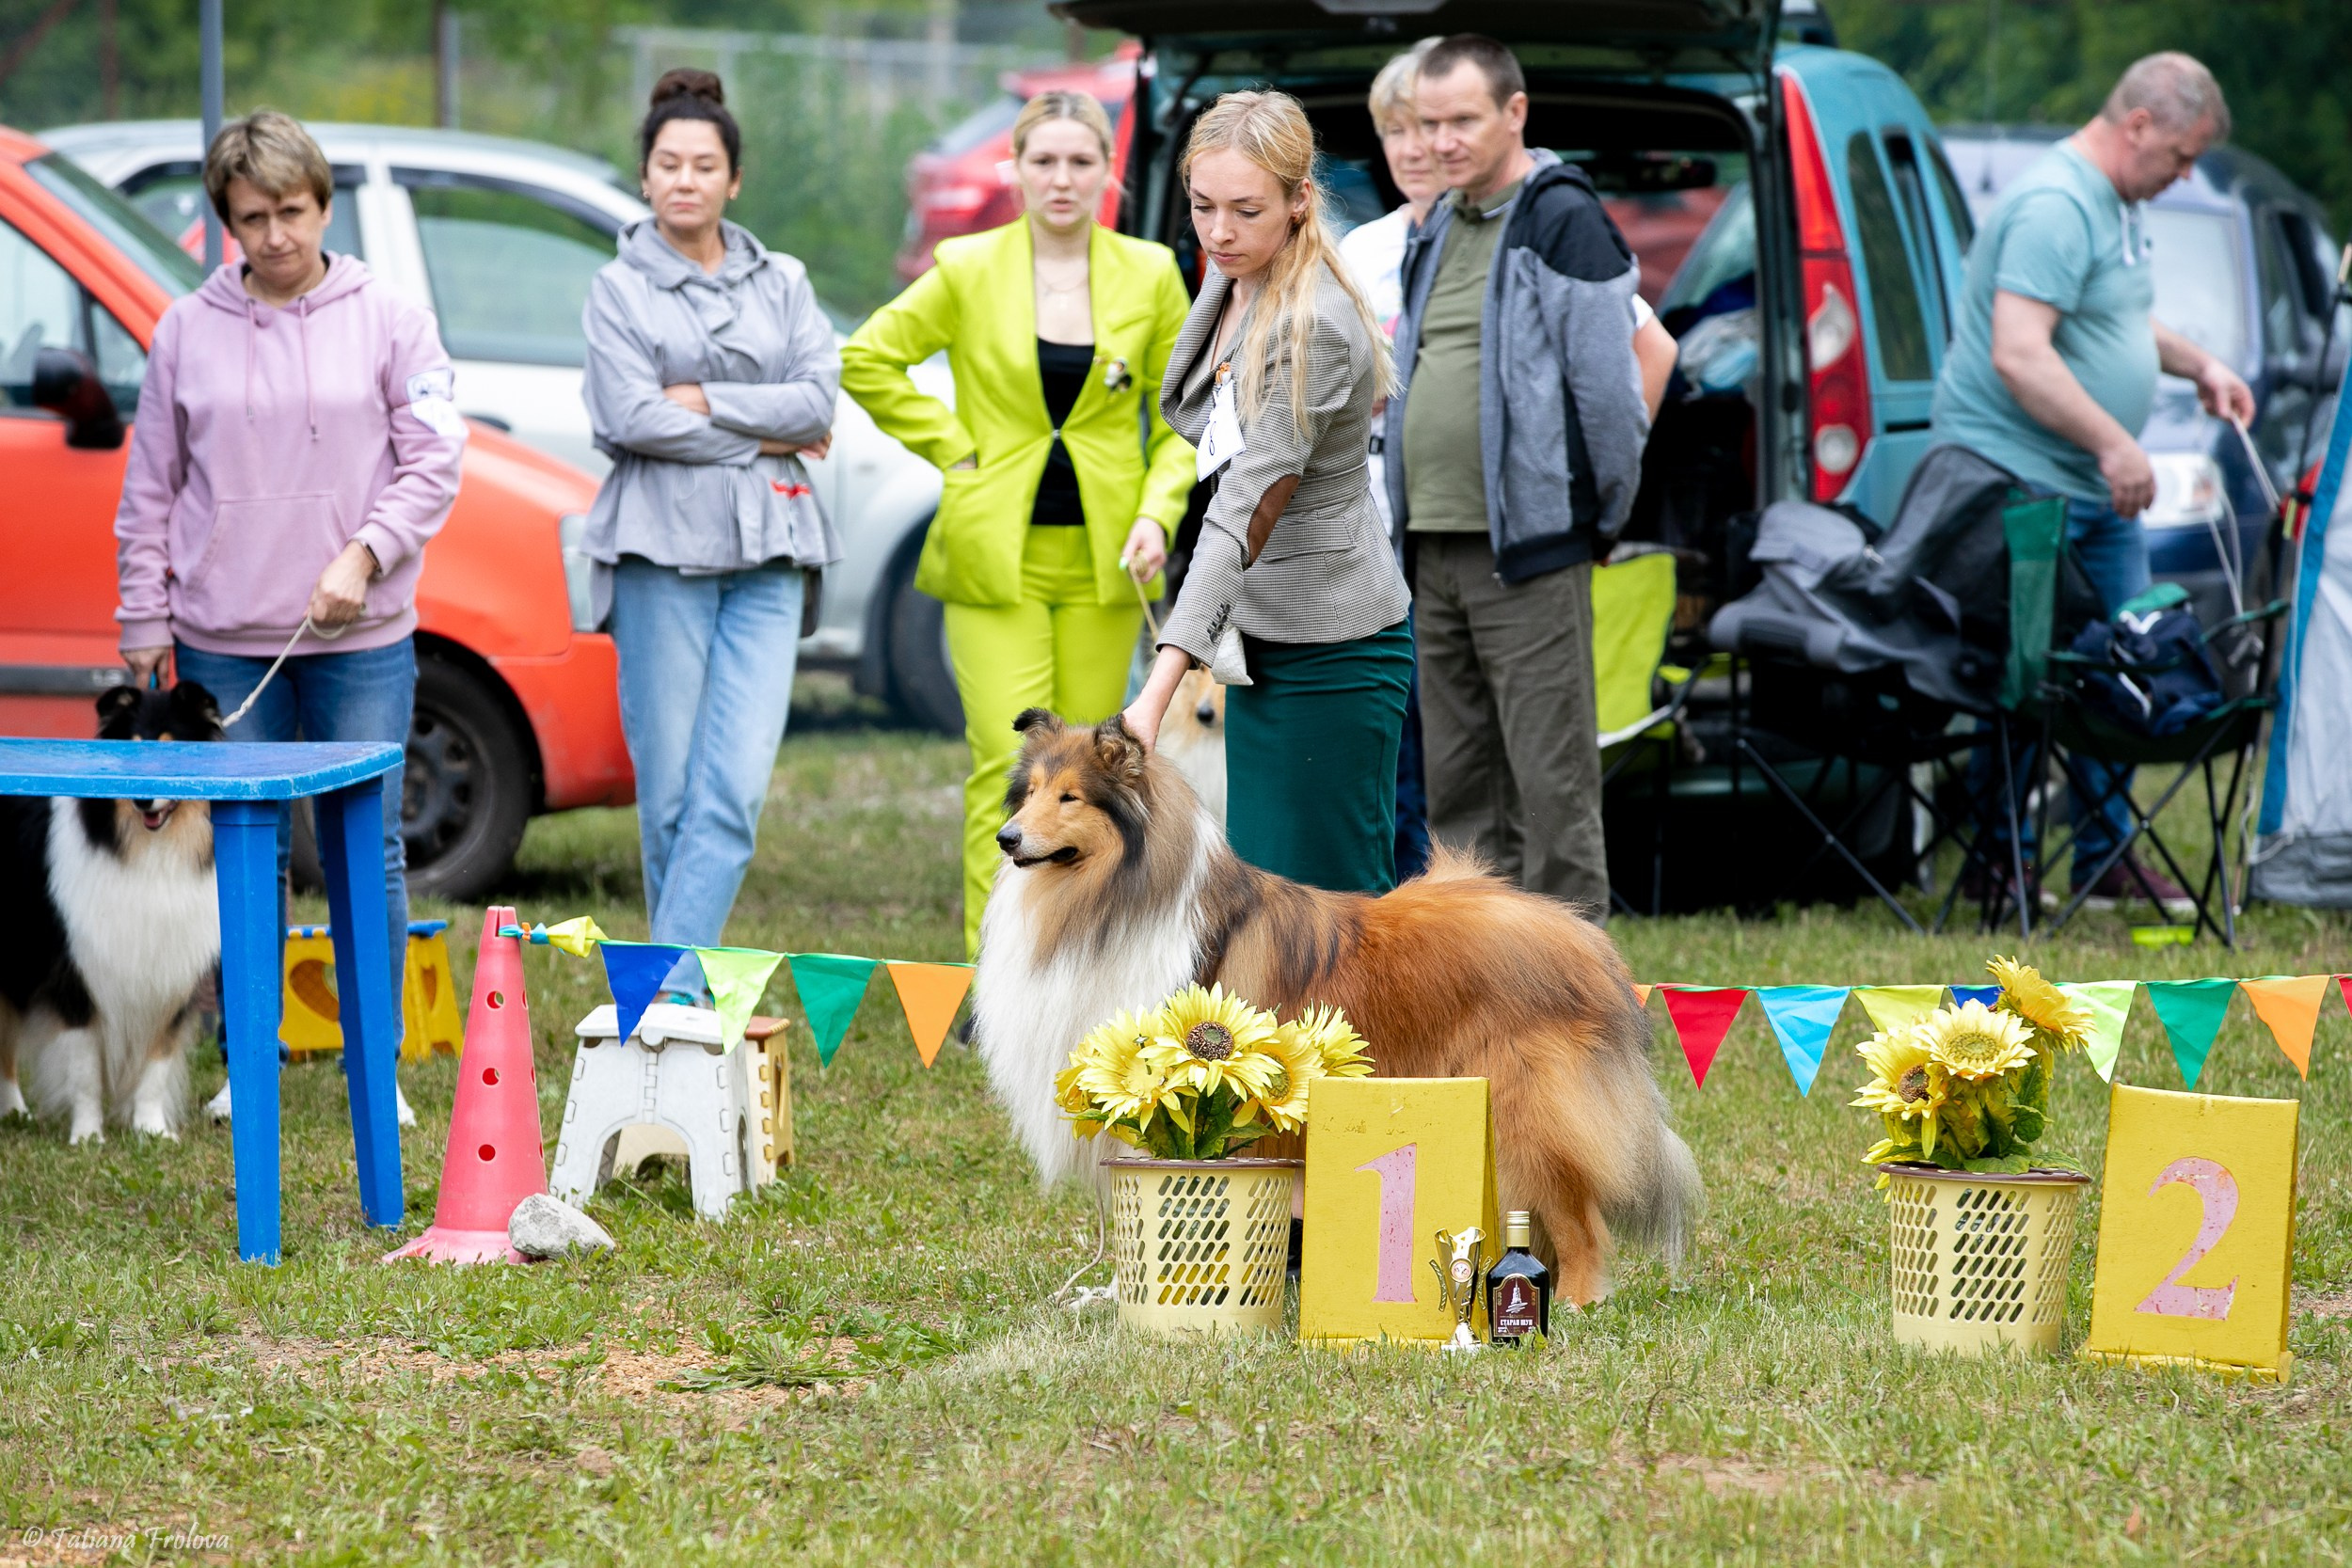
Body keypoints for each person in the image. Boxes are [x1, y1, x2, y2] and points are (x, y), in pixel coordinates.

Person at [115, 108, 464, 1053]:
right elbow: (151, 483)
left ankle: (372, 1055)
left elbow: (434, 459)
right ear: (228, 223)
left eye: (292, 211)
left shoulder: (392, 319)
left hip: (364, 634)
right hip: (222, 641)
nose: (275, 235)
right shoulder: (186, 331)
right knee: (244, 848)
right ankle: (245, 1057)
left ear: (324, 207)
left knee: (365, 846)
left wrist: (366, 551)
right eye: (252, 217)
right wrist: (144, 609)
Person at [843, 90, 1194, 956]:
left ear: (1107, 172)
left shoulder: (1149, 272)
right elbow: (867, 357)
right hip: (993, 557)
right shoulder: (967, 265)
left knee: (1086, 784)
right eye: (1044, 161)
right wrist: (953, 445)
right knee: (1011, 773)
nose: (1062, 178)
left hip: (1110, 561)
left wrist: (1159, 511)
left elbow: (1185, 413)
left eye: (1081, 162)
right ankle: (991, 964)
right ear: (1018, 170)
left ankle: (1073, 952)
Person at [1932, 52, 2252, 913]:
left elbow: (2114, 317)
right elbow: (2019, 351)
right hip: (2026, 487)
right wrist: (2117, 444)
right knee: (2026, 677)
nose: (2185, 174)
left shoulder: (2112, 205)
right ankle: (2001, 864)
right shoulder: (2053, 204)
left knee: (2131, 665)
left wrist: (2199, 366)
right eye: (2182, 156)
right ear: (2139, 124)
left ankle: (2105, 858)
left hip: (2092, 489)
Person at [1384, 35, 1679, 915]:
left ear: (1515, 113)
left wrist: (1593, 522)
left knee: (1551, 788)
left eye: (1461, 120)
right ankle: (1480, 984)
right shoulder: (1438, 220)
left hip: (1531, 551)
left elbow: (1612, 398)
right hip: (1429, 547)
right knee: (1460, 788)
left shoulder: (1562, 218)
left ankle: (1579, 1008)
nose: (1441, 142)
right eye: (1427, 123)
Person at [1123, 90, 1413, 894]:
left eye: (1245, 210)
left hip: (1333, 652)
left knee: (1332, 918)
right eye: (1201, 206)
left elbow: (1242, 510)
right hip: (1261, 640)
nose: (1218, 232)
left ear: (1299, 201)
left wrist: (1157, 691)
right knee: (1264, 909)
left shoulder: (1312, 324)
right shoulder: (1235, 276)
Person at [581, 70, 841, 955]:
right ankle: (677, 993)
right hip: (660, 553)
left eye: (704, 165)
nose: (684, 179)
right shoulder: (617, 290)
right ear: (645, 177)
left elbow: (816, 403)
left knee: (732, 791)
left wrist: (705, 402)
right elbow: (628, 418)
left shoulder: (785, 281)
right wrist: (764, 430)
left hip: (772, 549)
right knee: (674, 797)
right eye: (667, 164)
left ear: (734, 180)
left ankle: (659, 987)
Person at [1339, 40, 1447, 882]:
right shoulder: (1361, 251)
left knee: (1463, 751)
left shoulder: (1513, 236)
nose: (1414, 147)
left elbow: (1647, 347)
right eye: (1395, 130)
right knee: (1393, 750)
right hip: (1369, 544)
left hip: (1461, 535)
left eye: (1428, 127)